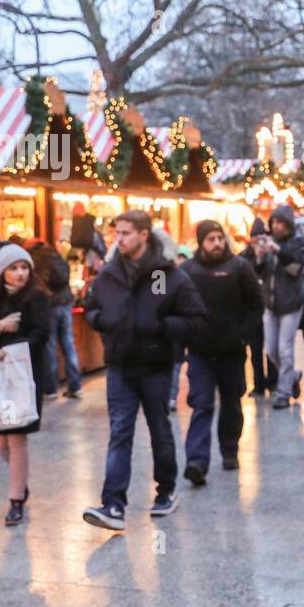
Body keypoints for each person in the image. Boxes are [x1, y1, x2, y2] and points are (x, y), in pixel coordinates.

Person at [80, 211, 208, 531]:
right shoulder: (110, 273)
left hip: (155, 366)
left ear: (143, 235)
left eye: (125, 233)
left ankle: (165, 490)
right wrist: (101, 322)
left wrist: (164, 326)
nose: (119, 239)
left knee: (158, 429)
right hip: (120, 366)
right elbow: (92, 307)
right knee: (120, 432)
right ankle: (113, 504)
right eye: (117, 233)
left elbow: (195, 318)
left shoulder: (161, 274)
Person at [0, 243, 52, 526]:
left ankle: (16, 500)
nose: (20, 273)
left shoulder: (37, 297)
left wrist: (8, 350)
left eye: (24, 267)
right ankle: (21, 481)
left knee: (16, 438)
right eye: (14, 268)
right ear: (2, 271)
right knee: (0, 441)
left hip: (23, 374)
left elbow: (41, 336)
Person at [181, 220, 263, 481]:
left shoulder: (240, 267)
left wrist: (242, 336)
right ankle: (196, 460)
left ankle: (230, 450)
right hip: (200, 352)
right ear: (201, 242)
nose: (217, 243)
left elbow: (256, 304)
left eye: (219, 238)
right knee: (201, 403)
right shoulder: (187, 270)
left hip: (231, 351)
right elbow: (171, 302)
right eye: (211, 239)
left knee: (231, 403)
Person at [254, 204, 304, 409]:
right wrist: (260, 256)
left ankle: (284, 393)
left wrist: (279, 252)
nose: (276, 226)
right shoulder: (269, 242)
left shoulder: (298, 243)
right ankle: (292, 376)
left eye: (280, 222)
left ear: (288, 224)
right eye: (274, 222)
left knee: (285, 349)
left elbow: (298, 270)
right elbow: (260, 273)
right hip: (271, 304)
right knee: (271, 349)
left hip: (292, 303)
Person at [26, 237, 82, 400]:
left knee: (49, 346)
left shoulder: (34, 258)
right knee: (68, 343)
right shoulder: (53, 253)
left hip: (49, 304)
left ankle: (50, 389)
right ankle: (75, 385)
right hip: (65, 302)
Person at [241, 217, 275, 397]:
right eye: (256, 237)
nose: (259, 241)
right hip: (252, 311)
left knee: (270, 348)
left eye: (262, 236)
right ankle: (258, 384)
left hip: (270, 308)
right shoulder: (243, 257)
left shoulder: (272, 255)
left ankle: (273, 382)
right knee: (255, 349)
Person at [168, 245, 193, 411]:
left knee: (176, 362)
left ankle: (171, 397)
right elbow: (157, 300)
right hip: (167, 326)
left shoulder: (187, 275)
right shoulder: (160, 274)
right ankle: (169, 396)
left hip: (181, 326)